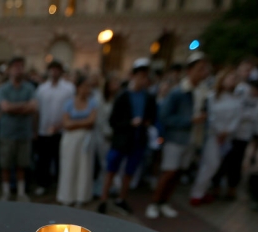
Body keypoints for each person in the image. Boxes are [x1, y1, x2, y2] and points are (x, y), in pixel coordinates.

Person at [146, 53, 210, 219]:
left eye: (205, 69)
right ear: (190, 71)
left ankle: (165, 202)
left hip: (191, 139)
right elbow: (165, 116)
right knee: (169, 172)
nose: (203, 73)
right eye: (199, 69)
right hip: (175, 139)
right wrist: (189, 120)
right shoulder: (178, 92)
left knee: (179, 172)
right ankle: (154, 202)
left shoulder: (203, 92)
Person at [98, 59, 157, 215]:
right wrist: (130, 123)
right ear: (133, 76)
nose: (142, 80)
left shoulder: (149, 97)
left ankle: (121, 198)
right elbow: (113, 121)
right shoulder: (123, 96)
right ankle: (103, 200)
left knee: (129, 172)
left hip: (137, 141)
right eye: (140, 76)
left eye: (145, 76)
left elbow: (152, 117)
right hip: (121, 141)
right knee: (111, 170)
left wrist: (144, 122)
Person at [189, 68, 242, 205]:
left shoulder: (235, 99)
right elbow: (210, 116)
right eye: (230, 78)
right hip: (213, 136)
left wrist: (228, 131)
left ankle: (202, 191)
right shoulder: (212, 96)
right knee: (210, 164)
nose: (232, 81)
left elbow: (237, 118)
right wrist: (219, 131)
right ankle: (197, 193)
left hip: (226, 137)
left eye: (234, 79)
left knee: (215, 165)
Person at [0, 57, 38, 201]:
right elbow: (5, 107)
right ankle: (6, 191)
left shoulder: (29, 88)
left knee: (22, 164)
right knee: (6, 164)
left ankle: (21, 192)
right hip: (7, 133)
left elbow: (33, 107)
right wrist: (24, 106)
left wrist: (14, 107)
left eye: (20, 66)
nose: (18, 69)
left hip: (24, 133)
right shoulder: (2, 89)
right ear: (9, 69)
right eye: (15, 66)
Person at [34, 60, 75, 196]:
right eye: (52, 69)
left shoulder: (69, 89)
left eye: (57, 69)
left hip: (61, 131)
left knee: (60, 159)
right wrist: (36, 128)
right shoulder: (42, 89)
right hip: (44, 130)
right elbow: (38, 110)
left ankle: (60, 184)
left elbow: (71, 109)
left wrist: (61, 125)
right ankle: (43, 184)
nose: (54, 72)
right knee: (43, 160)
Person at [56, 76, 98, 206]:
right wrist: (83, 123)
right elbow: (66, 123)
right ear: (78, 88)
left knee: (84, 167)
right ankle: (67, 196)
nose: (87, 89)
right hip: (70, 139)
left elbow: (92, 121)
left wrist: (75, 123)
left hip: (85, 139)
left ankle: (81, 196)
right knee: (69, 166)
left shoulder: (92, 102)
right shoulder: (69, 103)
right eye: (85, 86)